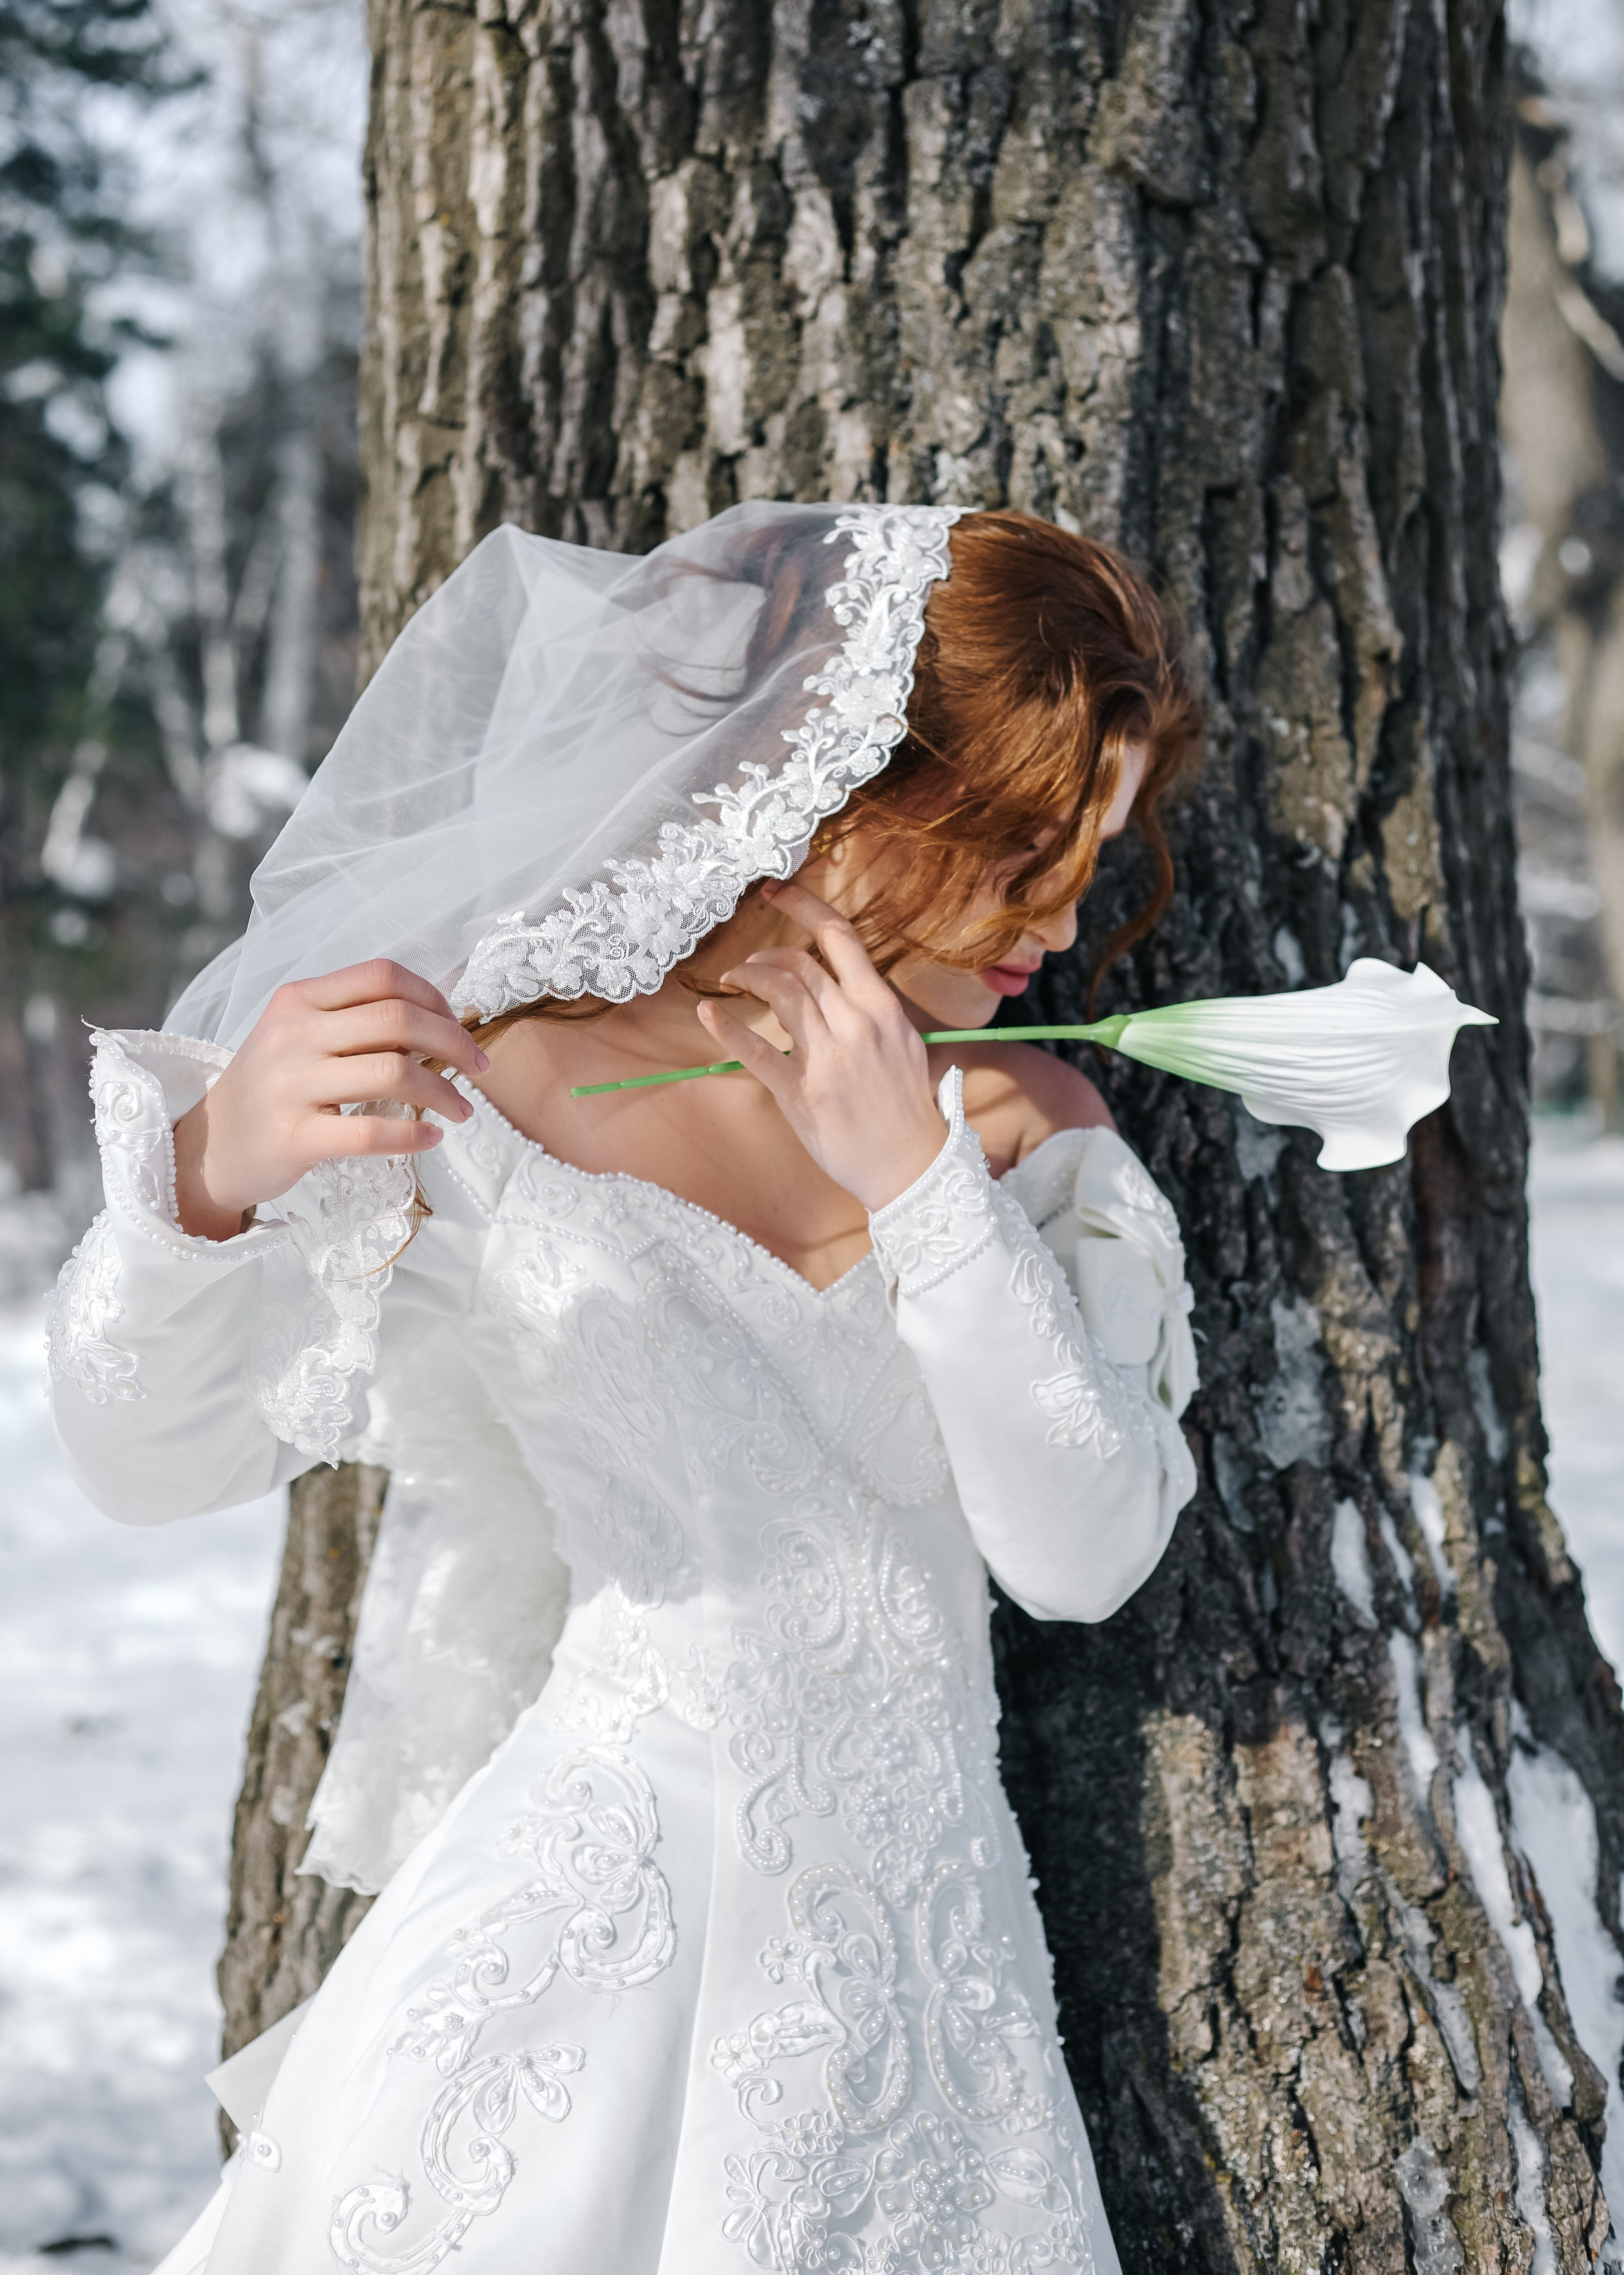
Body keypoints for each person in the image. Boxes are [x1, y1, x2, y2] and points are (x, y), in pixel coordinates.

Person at [47, 501, 1203, 2275]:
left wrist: (925, 1198)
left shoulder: (1030, 1128)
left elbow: (1083, 1552)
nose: (1061, 917)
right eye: (1022, 851)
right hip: (584, 1965)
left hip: (938, 1999)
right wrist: (205, 1175)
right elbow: (144, 1461)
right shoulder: (504, 1083)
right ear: (849, 793)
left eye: (1092, 859)